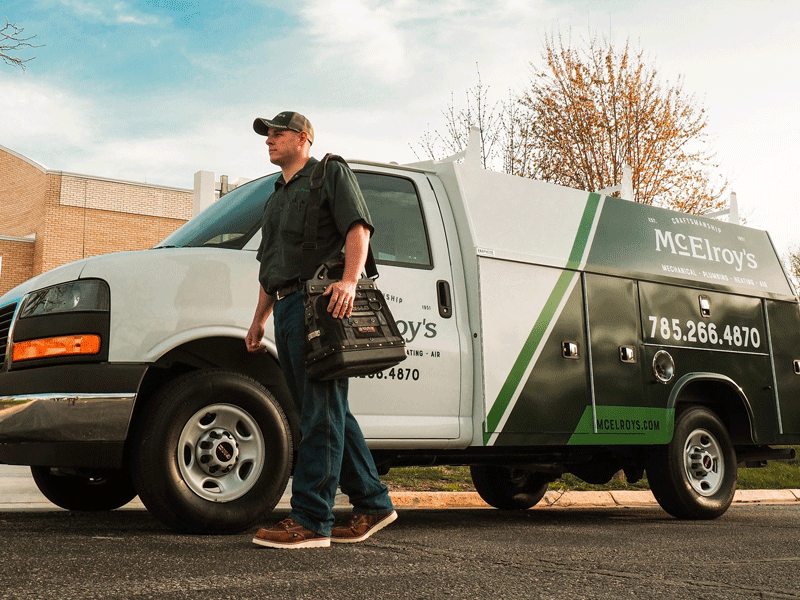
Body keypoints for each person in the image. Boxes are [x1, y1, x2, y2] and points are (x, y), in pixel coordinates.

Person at [246, 111, 397, 549]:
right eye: (267, 135)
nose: (269, 139)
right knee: (328, 410)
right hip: (287, 308)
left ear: (303, 138)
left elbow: (358, 227)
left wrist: (349, 281)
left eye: (277, 133)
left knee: (320, 413)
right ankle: (372, 502)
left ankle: (312, 518)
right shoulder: (275, 197)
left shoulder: (330, 172)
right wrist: (258, 318)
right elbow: (270, 265)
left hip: (322, 306)